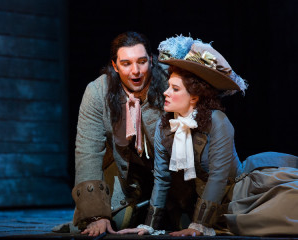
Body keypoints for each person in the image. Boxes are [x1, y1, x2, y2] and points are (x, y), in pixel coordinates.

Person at [117, 35, 298, 236]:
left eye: (175, 89)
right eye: (168, 86)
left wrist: (199, 225)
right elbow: (162, 179)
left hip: (244, 194)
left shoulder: (218, 122)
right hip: (212, 209)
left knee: (286, 210)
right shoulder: (165, 127)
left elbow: (218, 177)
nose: (166, 93)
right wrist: (149, 225)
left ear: (194, 97)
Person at [71, 31, 168, 237]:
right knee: (113, 222)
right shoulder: (98, 91)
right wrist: (96, 215)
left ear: (151, 60)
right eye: (126, 64)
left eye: (142, 62)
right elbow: (88, 151)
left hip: (170, 176)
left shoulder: (171, 83)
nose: (136, 71)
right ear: (115, 66)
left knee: (177, 223)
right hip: (126, 174)